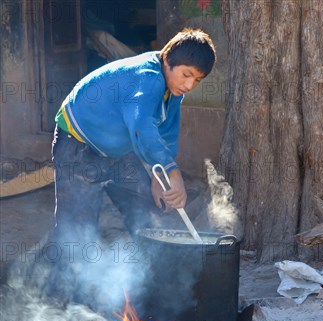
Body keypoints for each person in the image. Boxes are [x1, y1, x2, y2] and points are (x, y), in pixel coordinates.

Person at [47, 28, 216, 305]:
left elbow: (166, 135)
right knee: (76, 227)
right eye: (186, 74)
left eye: (197, 80)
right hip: (78, 145)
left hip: (119, 151)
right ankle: (64, 302)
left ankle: (154, 286)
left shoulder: (173, 93)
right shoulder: (147, 78)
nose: (189, 85)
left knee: (152, 209)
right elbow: (143, 129)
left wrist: (157, 177)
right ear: (168, 60)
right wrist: (171, 172)